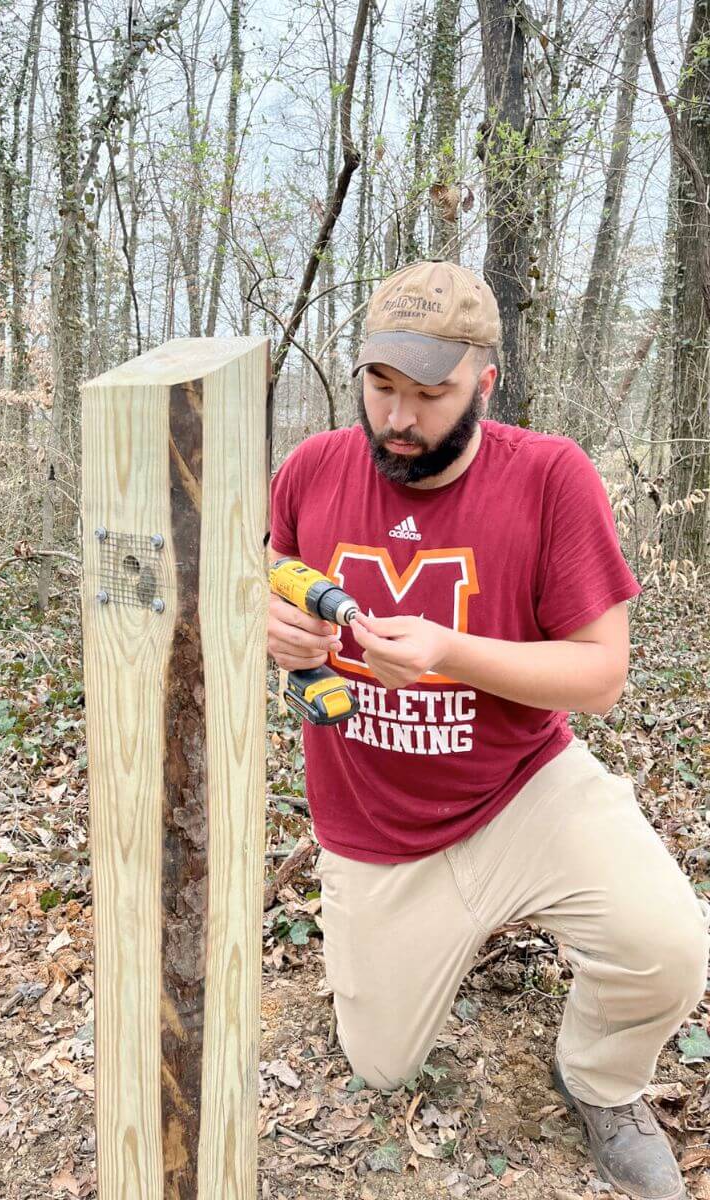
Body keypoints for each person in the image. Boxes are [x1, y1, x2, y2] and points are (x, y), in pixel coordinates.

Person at [266, 260, 710, 1200]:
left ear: (484, 383)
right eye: (380, 385)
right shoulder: (309, 470)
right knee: (382, 1064)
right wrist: (268, 627)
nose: (396, 417)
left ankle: (601, 1081)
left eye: (429, 394)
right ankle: (437, 936)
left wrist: (450, 654)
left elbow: (601, 673)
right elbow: (268, 581)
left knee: (668, 944)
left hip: (524, 790)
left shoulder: (551, 477)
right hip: (375, 824)